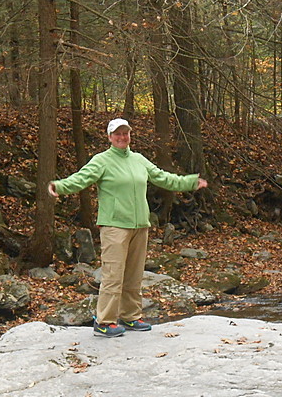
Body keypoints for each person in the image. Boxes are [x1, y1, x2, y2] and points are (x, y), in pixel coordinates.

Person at [48, 118, 208, 337]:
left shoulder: (138, 160)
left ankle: (131, 316)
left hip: (140, 225)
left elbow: (163, 178)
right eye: (117, 134)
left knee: (133, 275)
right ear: (110, 137)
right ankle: (104, 321)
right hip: (114, 226)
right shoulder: (101, 160)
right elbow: (81, 179)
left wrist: (190, 182)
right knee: (113, 275)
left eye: (126, 133)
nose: (122, 137)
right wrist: (60, 186)